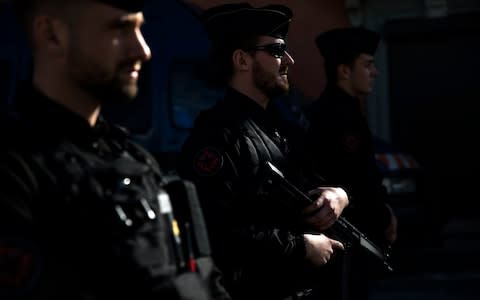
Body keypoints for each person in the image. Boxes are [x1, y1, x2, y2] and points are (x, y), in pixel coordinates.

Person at [0, 1, 230, 299]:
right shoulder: (16, 169)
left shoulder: (134, 160)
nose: (143, 50)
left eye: (139, 29)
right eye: (120, 28)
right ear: (52, 34)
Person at [177, 3, 350, 300]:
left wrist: (338, 196)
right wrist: (300, 247)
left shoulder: (282, 126)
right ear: (242, 60)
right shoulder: (217, 136)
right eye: (278, 50)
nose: (289, 61)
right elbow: (214, 230)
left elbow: (318, 182)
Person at [304, 27, 398, 300]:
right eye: (367, 65)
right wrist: (384, 216)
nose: (375, 72)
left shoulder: (339, 109)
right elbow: (356, 180)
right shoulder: (339, 116)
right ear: (344, 71)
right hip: (346, 238)